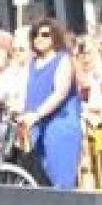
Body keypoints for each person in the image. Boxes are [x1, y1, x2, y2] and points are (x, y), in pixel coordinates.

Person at [19, 19, 84, 190]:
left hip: (60, 124)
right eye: (35, 35)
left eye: (45, 34)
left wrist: (36, 114)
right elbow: (25, 92)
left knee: (61, 180)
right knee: (40, 177)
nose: (39, 38)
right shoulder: (32, 63)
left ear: (55, 37)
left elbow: (60, 92)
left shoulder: (63, 60)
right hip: (36, 125)